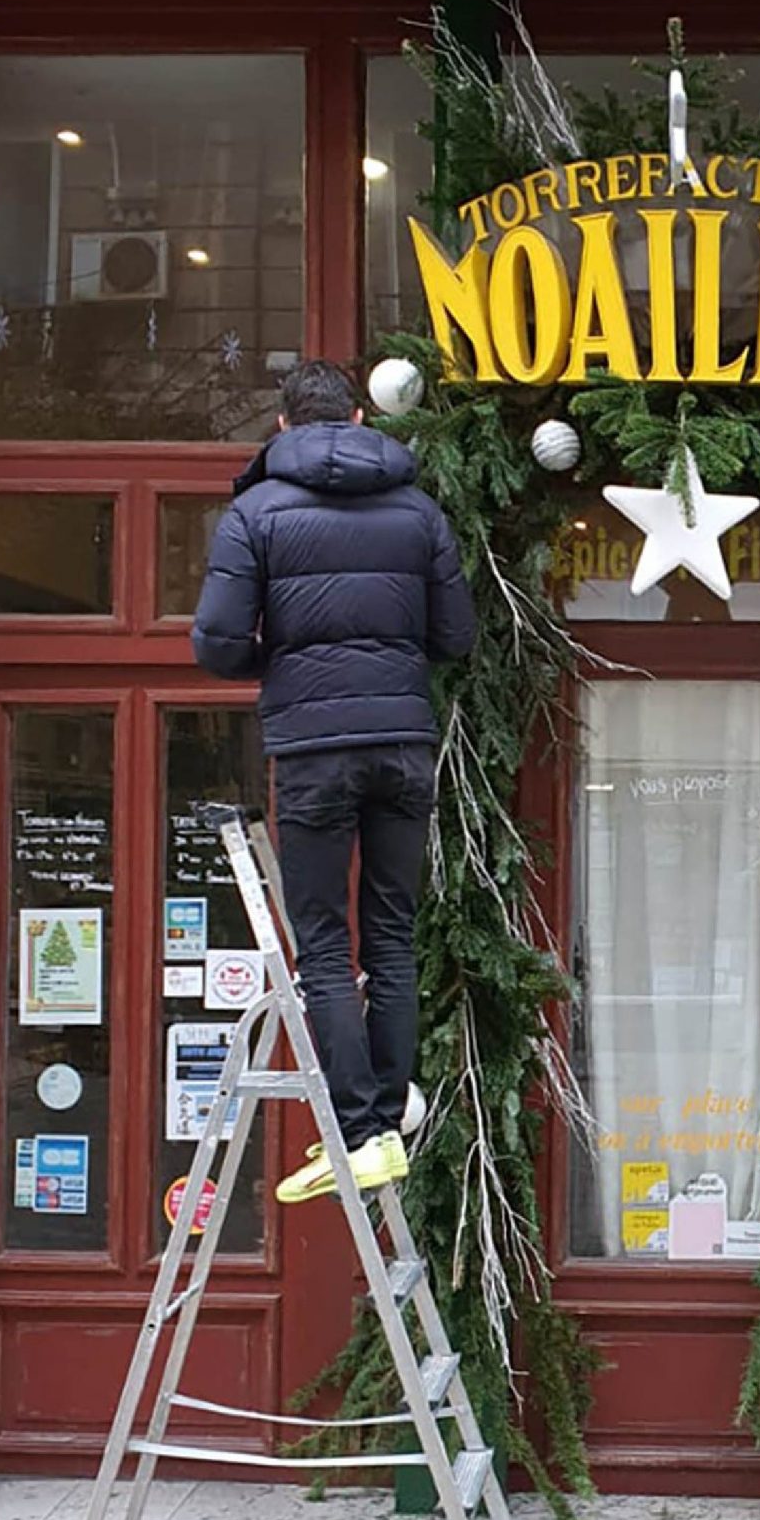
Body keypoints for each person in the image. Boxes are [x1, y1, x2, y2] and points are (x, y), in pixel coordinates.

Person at [192, 358, 475, 1205]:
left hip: (313, 749)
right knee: (391, 935)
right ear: (359, 417)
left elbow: (215, 645)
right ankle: (384, 1125)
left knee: (323, 946)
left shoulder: (255, 514)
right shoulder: (418, 512)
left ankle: (356, 1135)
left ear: (283, 425)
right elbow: (454, 636)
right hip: (401, 742)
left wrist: (279, 656)